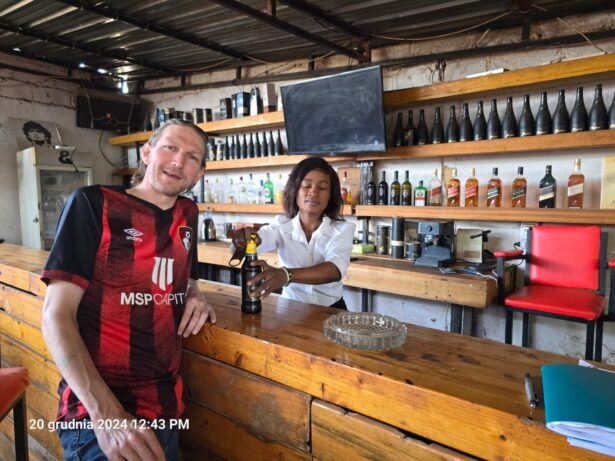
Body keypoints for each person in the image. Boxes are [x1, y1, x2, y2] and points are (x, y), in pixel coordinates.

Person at [41, 119, 216, 461]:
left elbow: (186, 273)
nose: (179, 161)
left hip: (167, 409)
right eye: (170, 147)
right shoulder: (93, 204)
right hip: (99, 417)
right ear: (147, 153)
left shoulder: (188, 213)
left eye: (192, 156)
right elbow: (55, 316)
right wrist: (107, 416)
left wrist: (195, 292)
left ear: (200, 173)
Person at [233, 156, 355, 309]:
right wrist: (242, 241)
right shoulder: (281, 226)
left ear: (331, 195)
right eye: (306, 185)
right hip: (290, 309)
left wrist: (285, 275)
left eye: (322, 188)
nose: (313, 192)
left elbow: (334, 269)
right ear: (295, 190)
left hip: (331, 309)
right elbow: (256, 241)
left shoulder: (343, 229)